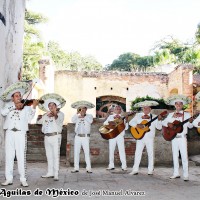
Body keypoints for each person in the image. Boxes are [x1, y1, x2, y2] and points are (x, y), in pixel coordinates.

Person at [0, 82, 39, 187]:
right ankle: (8, 178)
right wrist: (14, 106)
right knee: (9, 156)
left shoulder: (26, 107)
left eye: (20, 95)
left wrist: (34, 108)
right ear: (12, 98)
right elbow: (3, 112)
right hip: (9, 133)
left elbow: (30, 118)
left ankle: (23, 179)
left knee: (21, 156)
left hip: (20, 133)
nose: (19, 97)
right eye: (16, 96)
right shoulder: (8, 106)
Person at [162, 94, 193, 181]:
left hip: (182, 137)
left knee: (184, 156)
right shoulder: (171, 114)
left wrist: (190, 122)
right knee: (174, 156)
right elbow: (163, 123)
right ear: (175, 105)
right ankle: (176, 173)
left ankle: (186, 175)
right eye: (177, 104)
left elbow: (190, 126)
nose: (178, 105)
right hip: (173, 138)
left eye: (180, 104)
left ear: (182, 105)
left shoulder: (187, 115)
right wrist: (169, 123)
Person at [37, 93, 65, 181]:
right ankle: (50, 172)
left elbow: (57, 118)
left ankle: (56, 174)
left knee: (55, 155)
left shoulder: (60, 114)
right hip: (47, 137)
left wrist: (54, 114)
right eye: (49, 105)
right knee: (48, 155)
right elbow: (38, 122)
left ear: (56, 106)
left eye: (53, 105)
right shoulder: (46, 114)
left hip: (55, 136)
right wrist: (39, 117)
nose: (51, 107)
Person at [129, 100, 162, 175]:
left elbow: (159, 127)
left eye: (147, 108)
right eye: (144, 108)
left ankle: (150, 170)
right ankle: (135, 170)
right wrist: (137, 125)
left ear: (150, 109)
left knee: (150, 153)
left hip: (150, 138)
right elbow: (131, 122)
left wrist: (159, 120)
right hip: (140, 136)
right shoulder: (138, 115)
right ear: (142, 109)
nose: (146, 110)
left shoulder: (154, 116)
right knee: (137, 153)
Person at [71, 101, 94, 173]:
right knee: (76, 152)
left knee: (86, 152)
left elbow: (90, 121)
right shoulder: (77, 116)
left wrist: (84, 116)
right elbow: (72, 120)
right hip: (77, 136)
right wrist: (77, 113)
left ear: (86, 109)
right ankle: (76, 168)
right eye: (81, 109)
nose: (82, 110)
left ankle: (89, 168)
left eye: (84, 108)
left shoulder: (89, 116)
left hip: (85, 137)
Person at [103, 105, 128, 171]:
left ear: (121, 111)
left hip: (120, 136)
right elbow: (105, 124)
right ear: (114, 110)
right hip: (112, 135)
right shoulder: (111, 116)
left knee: (122, 151)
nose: (118, 110)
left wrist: (126, 121)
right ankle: (111, 165)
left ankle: (124, 166)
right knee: (111, 150)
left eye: (119, 109)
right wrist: (111, 122)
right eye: (116, 109)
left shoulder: (123, 117)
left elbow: (126, 128)